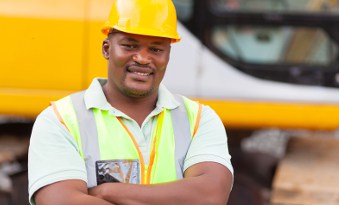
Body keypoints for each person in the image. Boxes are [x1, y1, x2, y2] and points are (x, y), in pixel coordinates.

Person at [28, 0, 234, 204]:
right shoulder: (61, 120)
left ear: (168, 55)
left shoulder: (198, 119)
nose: (143, 58)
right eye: (129, 45)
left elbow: (210, 195)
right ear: (107, 49)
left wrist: (105, 192)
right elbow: (60, 201)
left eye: (156, 49)